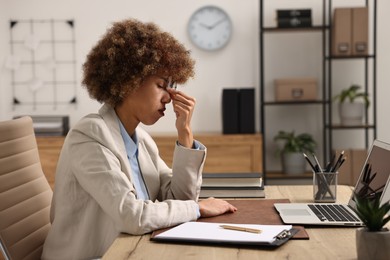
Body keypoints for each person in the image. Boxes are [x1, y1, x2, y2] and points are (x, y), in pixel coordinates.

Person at [42, 18, 237, 260]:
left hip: (132, 250)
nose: (168, 97)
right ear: (128, 82)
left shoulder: (141, 140)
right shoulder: (89, 136)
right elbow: (132, 216)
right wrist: (198, 208)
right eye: (161, 86)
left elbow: (179, 200)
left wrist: (185, 132)